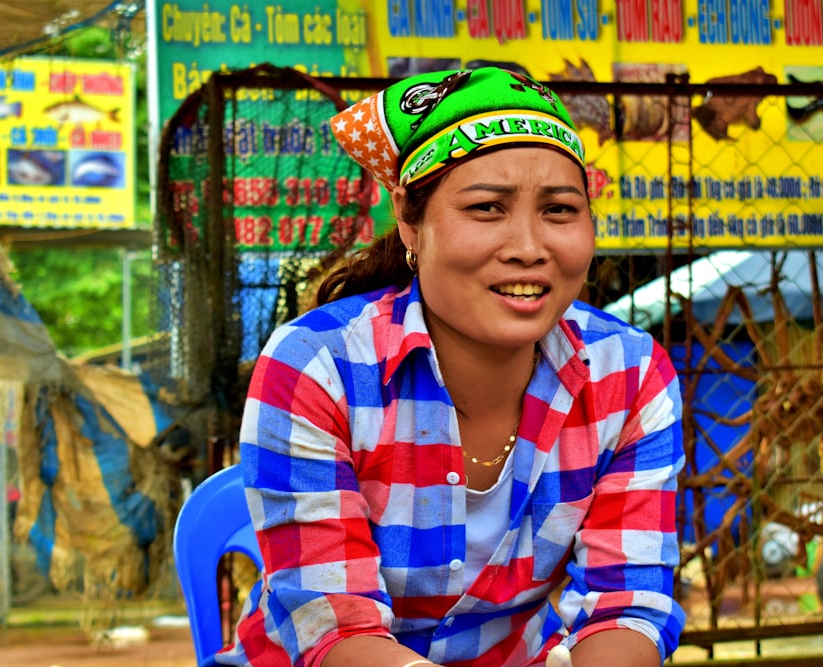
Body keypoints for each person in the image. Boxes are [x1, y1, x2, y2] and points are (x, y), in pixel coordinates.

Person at [217, 67, 685, 667]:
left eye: (560, 210)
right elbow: (335, 627)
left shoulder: (630, 374)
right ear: (412, 223)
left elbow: (626, 607)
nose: (529, 246)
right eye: (487, 207)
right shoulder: (317, 367)